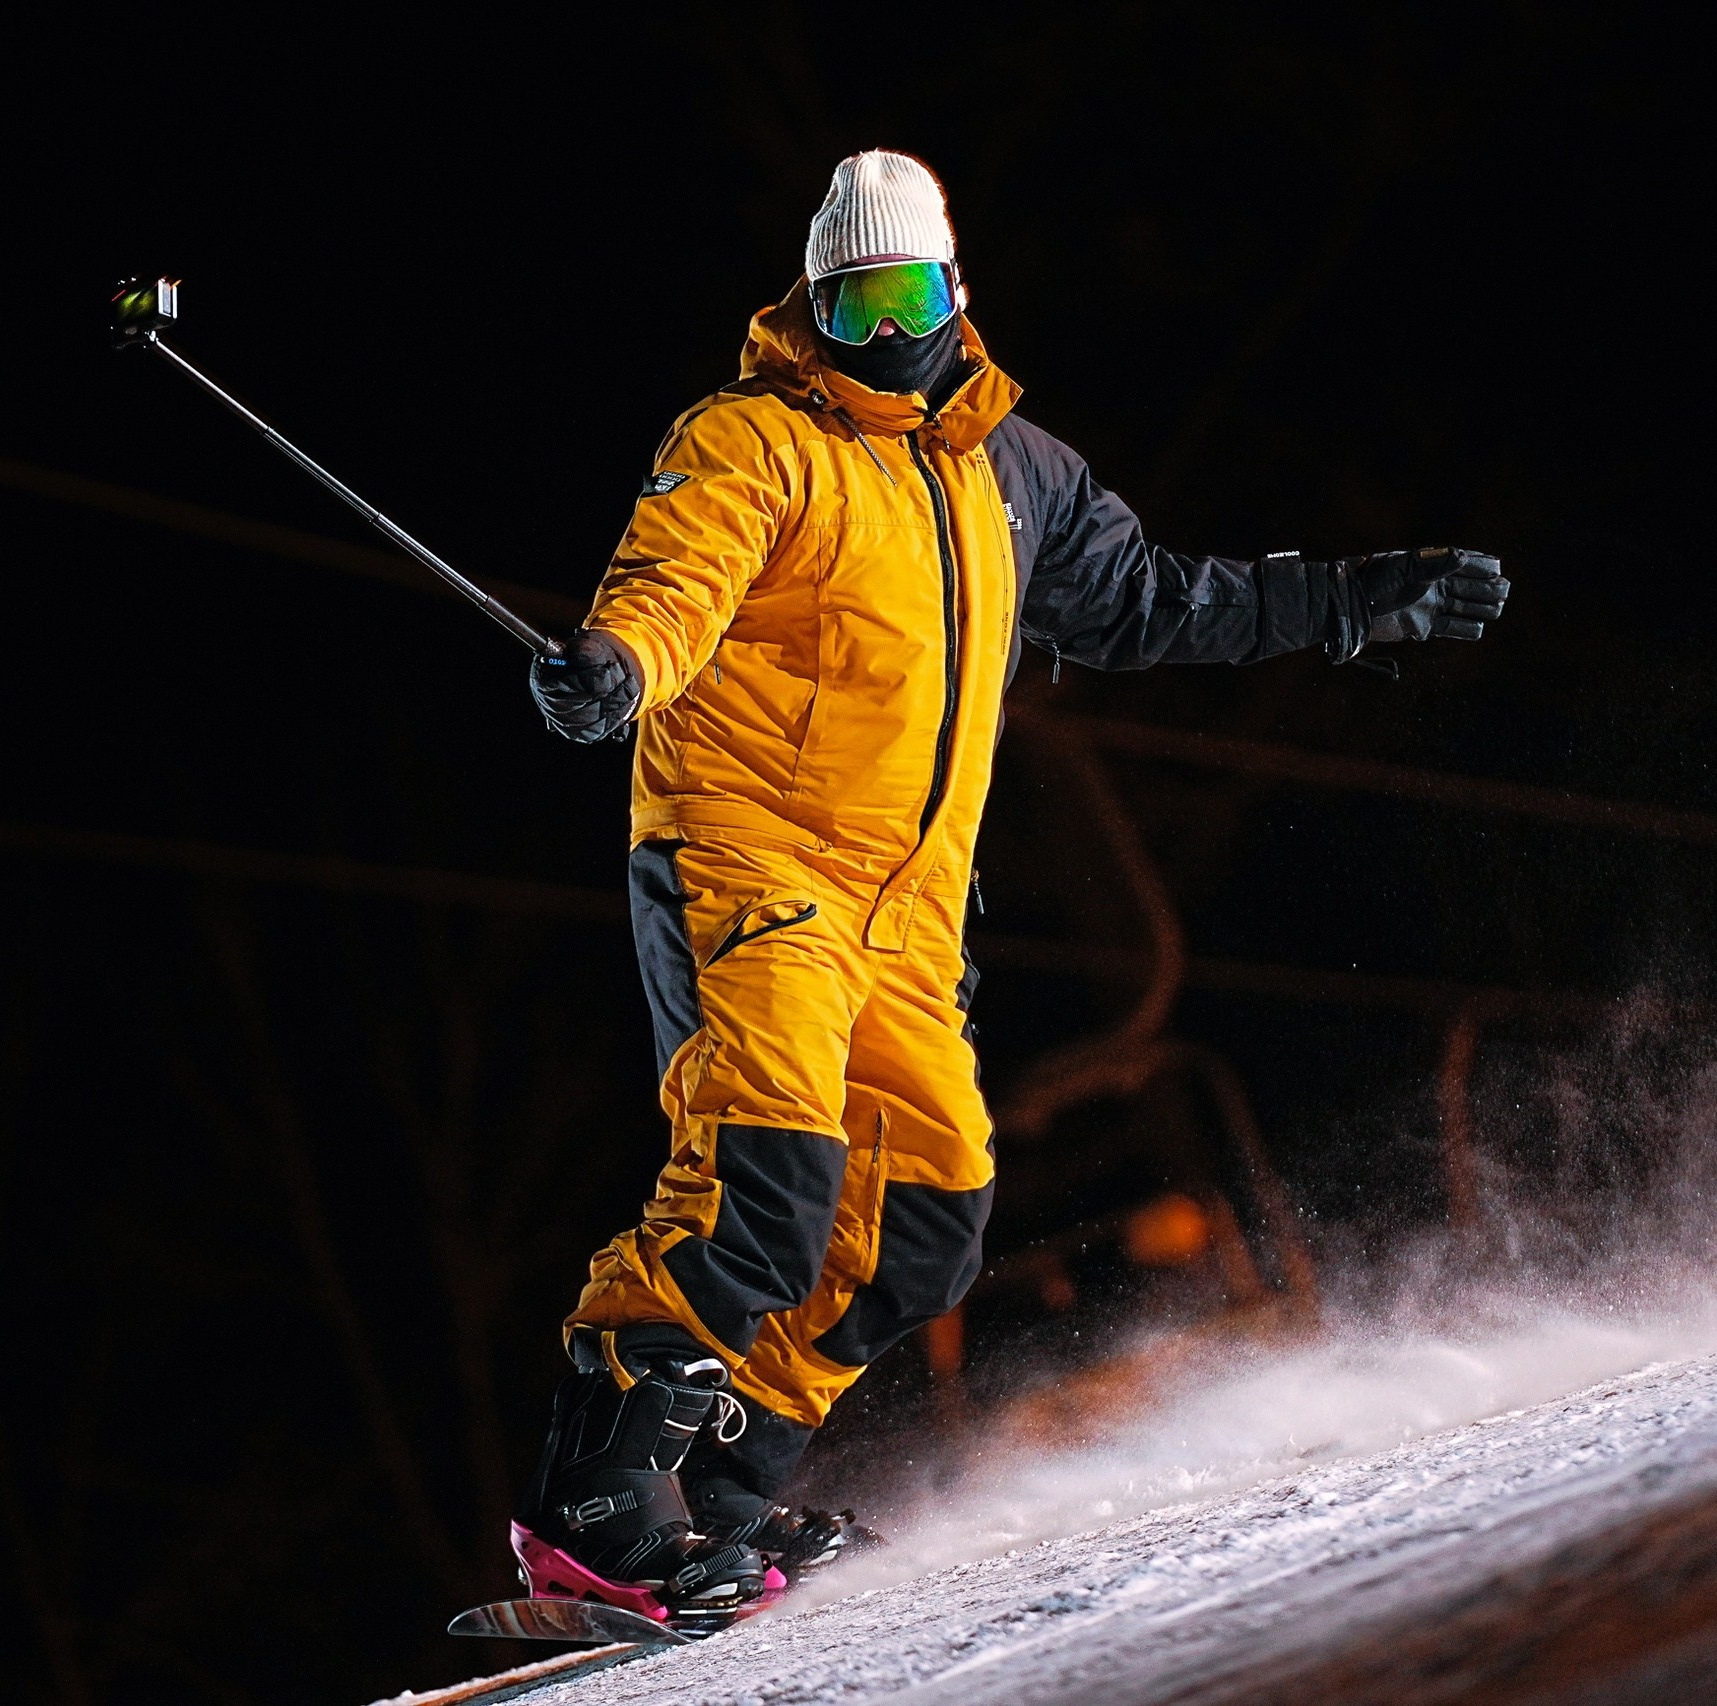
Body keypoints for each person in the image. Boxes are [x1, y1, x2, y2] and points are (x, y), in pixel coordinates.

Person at [514, 149, 1510, 1628]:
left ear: (953, 295)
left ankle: (735, 1471)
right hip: (750, 854)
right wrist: (615, 663)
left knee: (929, 1217)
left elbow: (1159, 599)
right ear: (811, 306)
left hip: (905, 911)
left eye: (905, 299)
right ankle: (591, 1498)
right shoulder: (753, 439)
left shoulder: (1008, 469)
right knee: (764, 1182)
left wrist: (1350, 602)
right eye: (848, 308)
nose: (878, 338)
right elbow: (674, 578)